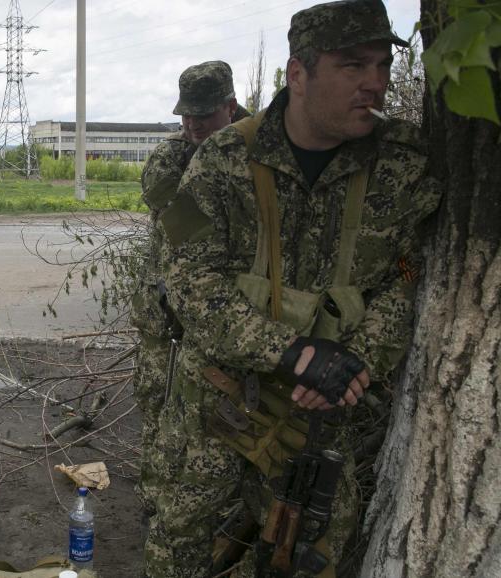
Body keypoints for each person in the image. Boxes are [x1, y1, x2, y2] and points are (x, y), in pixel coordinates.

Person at [148, 1, 441, 576]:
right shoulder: (221, 159)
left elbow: (409, 274)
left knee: (309, 555)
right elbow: (188, 280)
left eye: (382, 65)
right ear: (298, 74)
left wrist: (355, 363)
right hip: (217, 401)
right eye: (353, 65)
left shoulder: (403, 165)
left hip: (317, 418)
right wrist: (297, 354)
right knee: (177, 542)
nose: (375, 84)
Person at [131, 60, 247, 532]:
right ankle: (154, 495)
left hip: (225, 309)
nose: (193, 124)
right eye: (186, 116)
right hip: (165, 303)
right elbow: (181, 212)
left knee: (212, 411)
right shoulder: (171, 156)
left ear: (230, 106)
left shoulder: (259, 145)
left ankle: (219, 501)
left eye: (203, 115)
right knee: (156, 398)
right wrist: (205, 151)